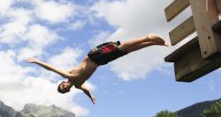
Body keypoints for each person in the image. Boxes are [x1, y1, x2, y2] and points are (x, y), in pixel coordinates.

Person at [26, 34, 167, 104]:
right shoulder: (77, 84)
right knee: (124, 52)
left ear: (62, 83)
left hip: (95, 57)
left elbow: (51, 68)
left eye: (63, 86)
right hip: (100, 61)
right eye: (66, 89)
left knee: (121, 48)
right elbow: (85, 89)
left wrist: (36, 61)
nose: (66, 86)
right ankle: (152, 43)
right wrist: (91, 97)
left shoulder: (69, 75)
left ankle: (147, 37)